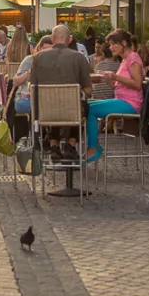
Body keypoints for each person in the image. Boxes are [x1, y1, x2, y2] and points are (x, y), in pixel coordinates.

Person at [25, 24, 96, 196]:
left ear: (52, 37)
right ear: (69, 39)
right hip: (71, 113)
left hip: (44, 113)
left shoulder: (38, 57)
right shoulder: (78, 57)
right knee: (80, 107)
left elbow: (32, 86)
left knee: (56, 107)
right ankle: (71, 145)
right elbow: (88, 90)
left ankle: (53, 145)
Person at [84, 30, 145, 163]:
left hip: (131, 103)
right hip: (122, 100)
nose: (110, 48)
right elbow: (118, 86)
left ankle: (93, 148)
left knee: (90, 109)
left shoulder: (133, 58)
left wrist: (115, 76)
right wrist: (108, 79)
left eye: (113, 44)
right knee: (86, 105)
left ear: (123, 43)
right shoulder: (124, 60)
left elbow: (137, 84)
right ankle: (94, 146)